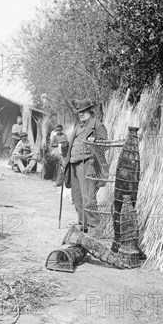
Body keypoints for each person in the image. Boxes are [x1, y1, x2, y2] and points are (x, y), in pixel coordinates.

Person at [64, 98, 108, 232]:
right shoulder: (78, 126)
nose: (81, 114)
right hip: (73, 165)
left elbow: (105, 145)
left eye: (84, 111)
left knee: (89, 197)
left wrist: (95, 141)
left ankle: (94, 228)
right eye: (79, 112)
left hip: (88, 164)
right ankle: (83, 225)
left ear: (90, 110)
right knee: (76, 198)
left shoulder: (97, 125)